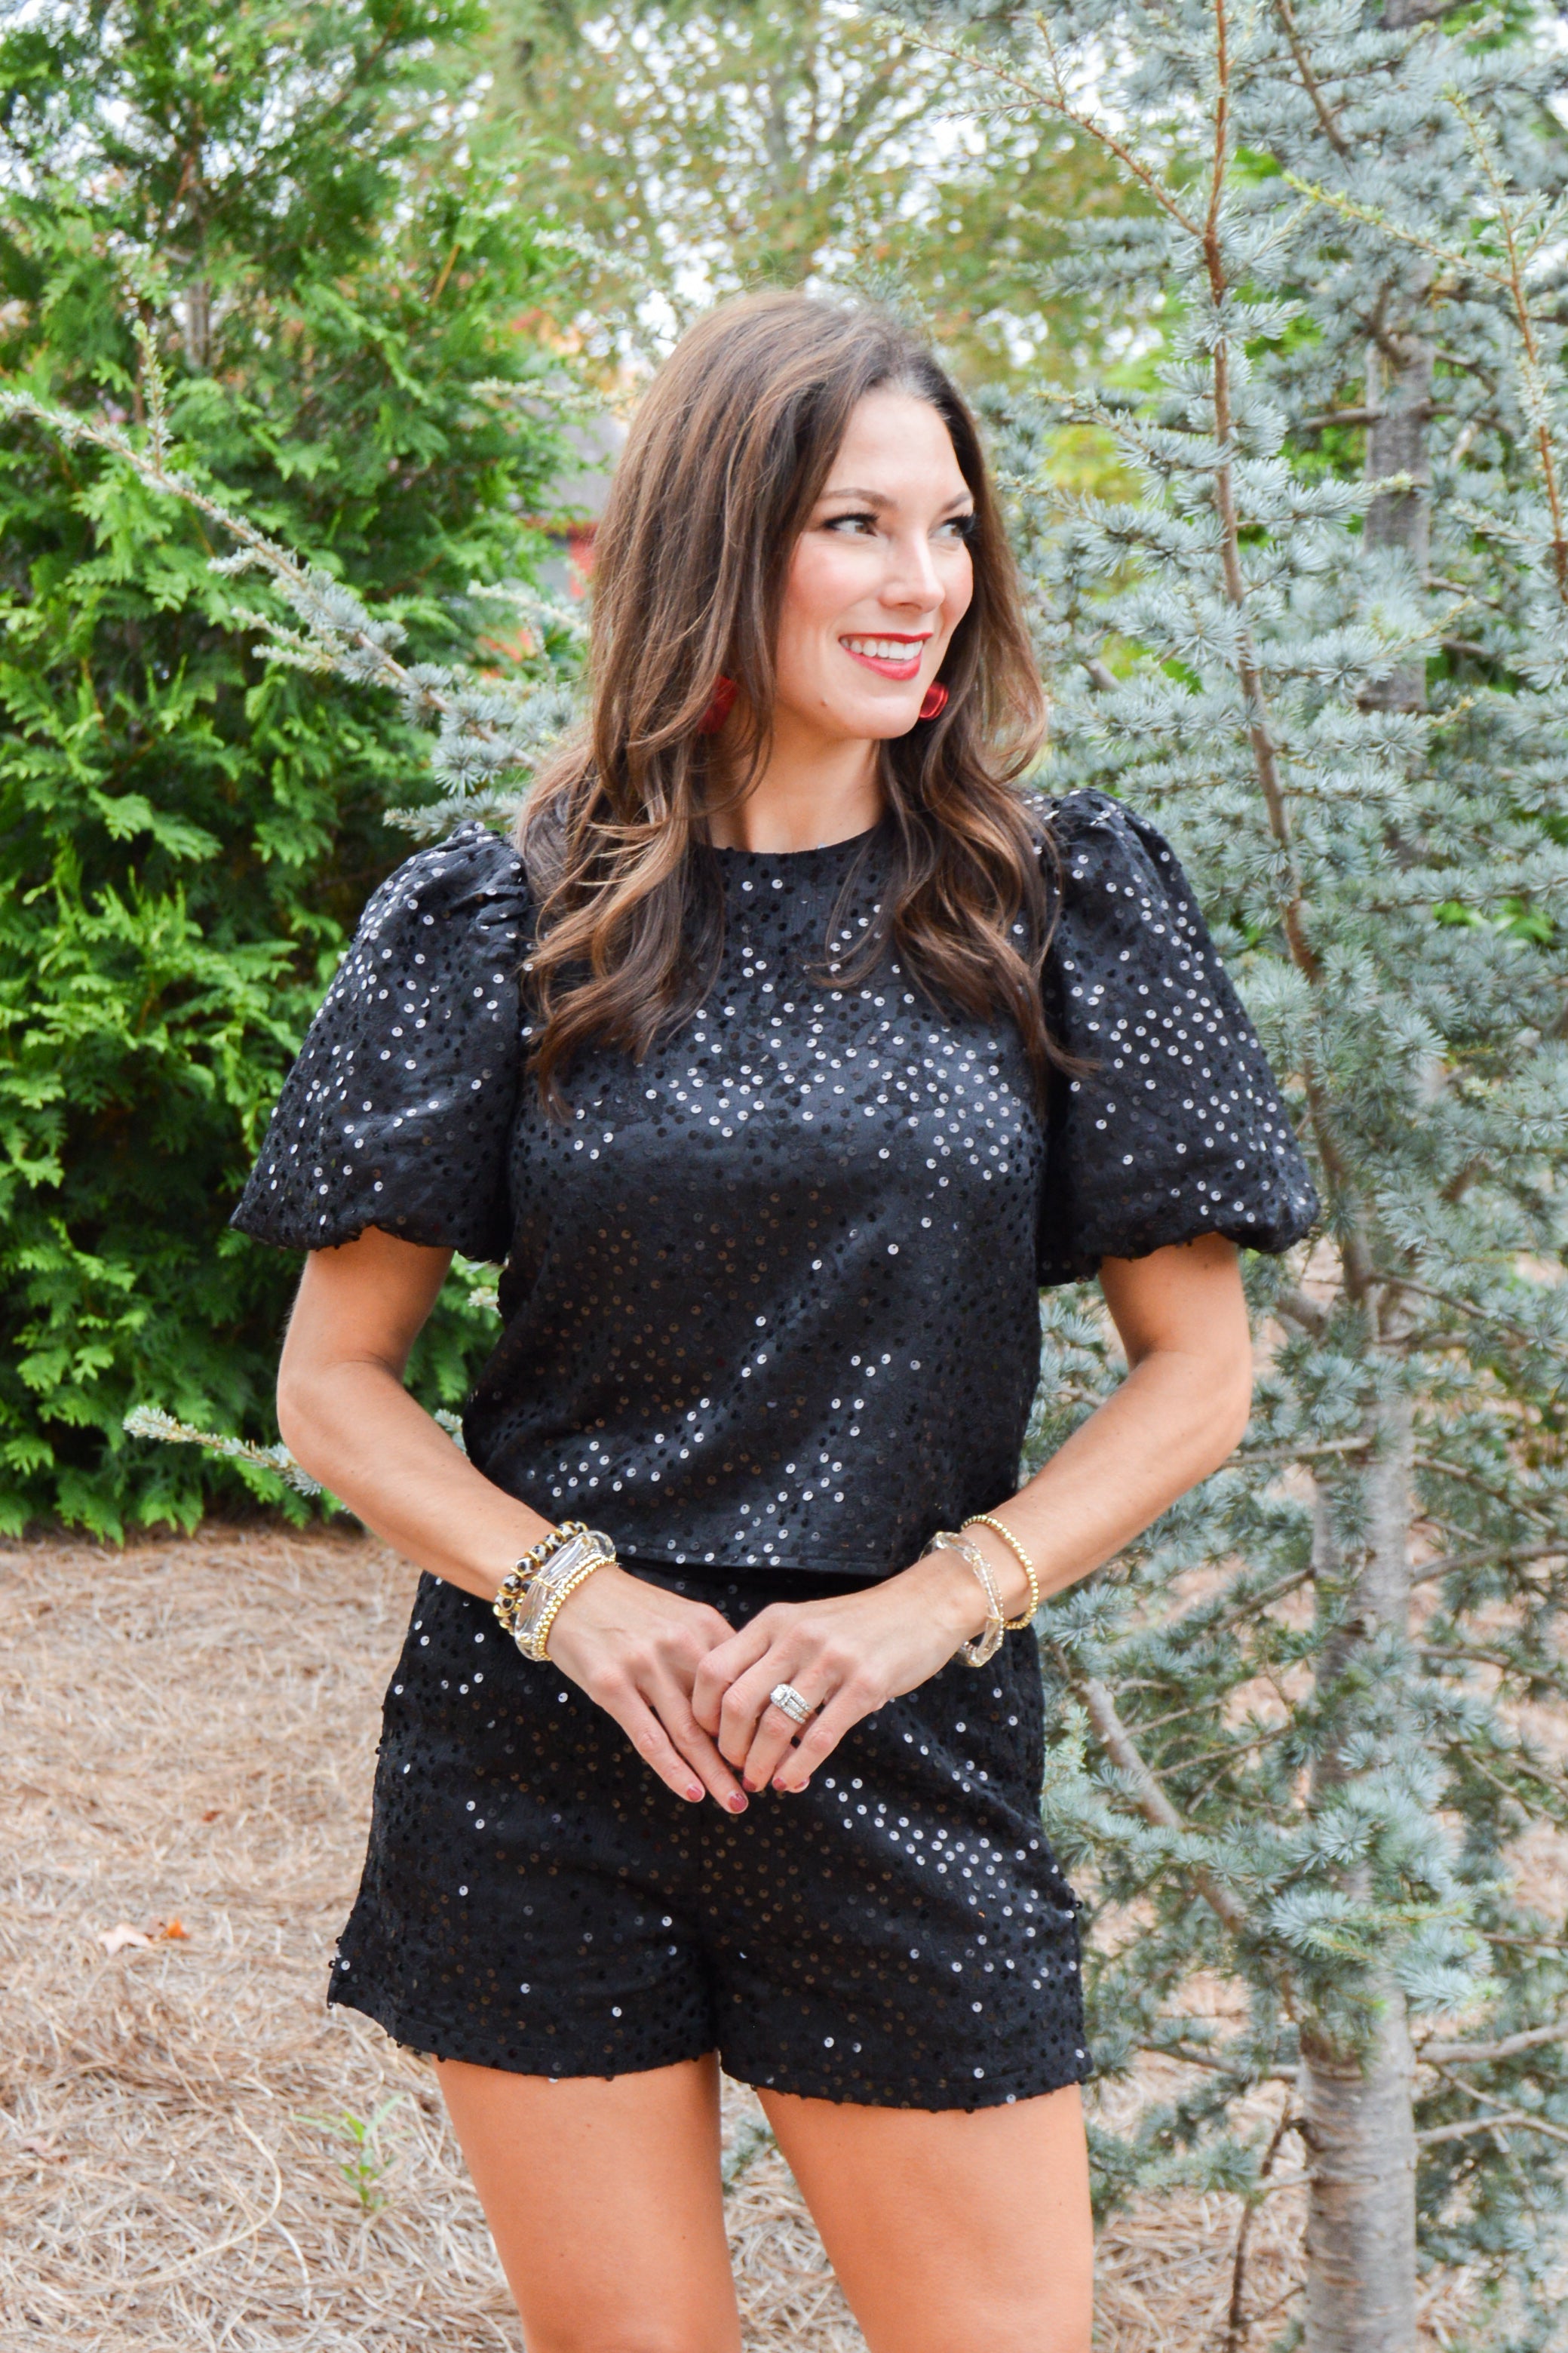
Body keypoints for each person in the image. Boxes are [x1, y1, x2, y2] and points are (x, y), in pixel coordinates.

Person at [233, 290, 1317, 2353]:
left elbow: (1201, 1378)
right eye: (857, 527)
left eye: (952, 527)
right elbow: (332, 1386)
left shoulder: (1061, 905)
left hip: (906, 1749)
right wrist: (573, 1598)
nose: (926, 582)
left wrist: (928, 1609)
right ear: (720, 543)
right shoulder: (500, 919)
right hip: (546, 1758)